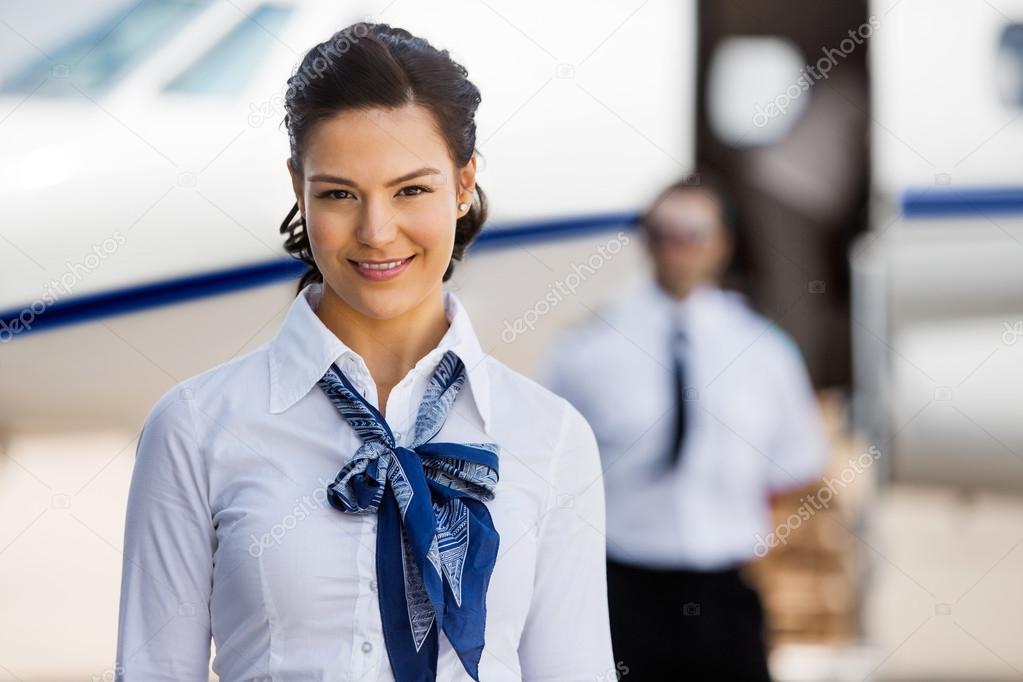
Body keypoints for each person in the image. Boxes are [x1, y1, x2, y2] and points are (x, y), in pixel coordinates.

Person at [115, 23, 614, 682]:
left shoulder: (548, 437)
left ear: (462, 185)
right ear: (298, 187)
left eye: (411, 190)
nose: (377, 232)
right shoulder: (194, 426)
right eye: (339, 194)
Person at [538, 175, 829, 680]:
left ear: (723, 243)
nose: (678, 247)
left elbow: (796, 468)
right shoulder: (588, 349)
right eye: (664, 231)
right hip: (623, 591)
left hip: (726, 593)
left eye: (695, 232)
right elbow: (549, 469)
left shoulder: (765, 351)